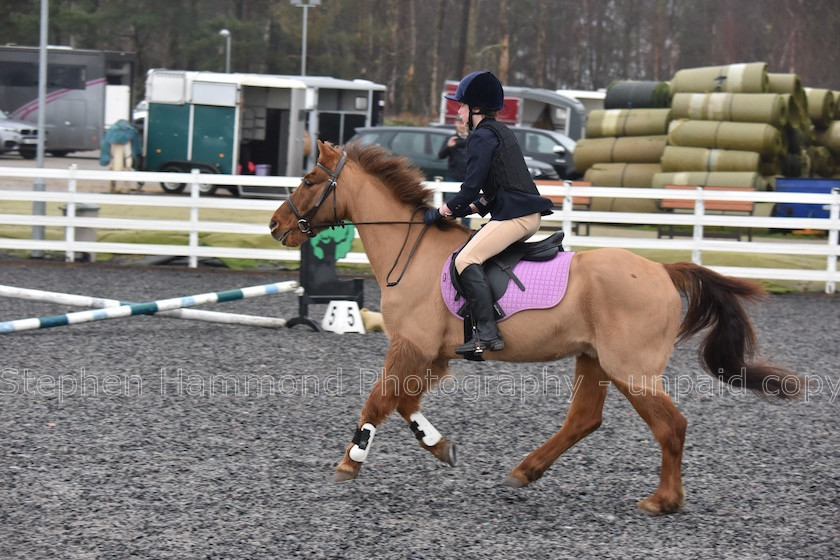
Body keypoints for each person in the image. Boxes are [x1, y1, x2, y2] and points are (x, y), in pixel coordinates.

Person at [424, 70, 554, 355]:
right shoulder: (500, 131)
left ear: (476, 109)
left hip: (516, 218)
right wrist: (471, 208)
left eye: (461, 106)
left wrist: (443, 211)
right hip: (522, 213)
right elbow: (496, 189)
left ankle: (487, 334)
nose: (457, 112)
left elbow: (470, 188)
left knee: (466, 259)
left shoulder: (482, 137)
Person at [438, 117, 471, 226]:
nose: (462, 125)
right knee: (450, 205)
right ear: (456, 124)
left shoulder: (473, 138)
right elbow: (440, 155)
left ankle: (466, 231)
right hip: (453, 176)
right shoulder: (451, 138)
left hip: (468, 177)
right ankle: (448, 228)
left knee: (466, 206)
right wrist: (448, 147)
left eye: (464, 123)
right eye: (460, 123)